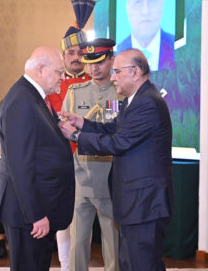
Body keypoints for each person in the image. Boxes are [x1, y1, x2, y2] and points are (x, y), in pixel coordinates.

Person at [59, 49, 174, 271]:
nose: (112, 77)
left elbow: (118, 143)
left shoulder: (147, 103)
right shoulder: (137, 99)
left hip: (145, 203)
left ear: (135, 72)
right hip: (137, 201)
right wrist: (81, 122)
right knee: (130, 262)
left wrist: (75, 136)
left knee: (143, 264)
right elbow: (112, 129)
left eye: (117, 72)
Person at [0, 46, 75, 271]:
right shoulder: (22, 102)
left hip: (35, 210)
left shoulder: (33, 98)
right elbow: (21, 165)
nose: (63, 77)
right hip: (28, 214)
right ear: (41, 69)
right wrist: (36, 215)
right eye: (59, 71)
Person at [62, 38, 120, 271]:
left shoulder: (121, 93)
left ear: (111, 60)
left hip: (110, 176)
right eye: (89, 62)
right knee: (77, 241)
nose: (93, 68)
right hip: (81, 175)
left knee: (112, 242)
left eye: (99, 62)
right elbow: (64, 131)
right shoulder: (76, 92)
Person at [49, 0, 95, 271]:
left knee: (87, 218)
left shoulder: (96, 82)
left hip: (92, 159)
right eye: (71, 53)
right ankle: (66, 265)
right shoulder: (51, 84)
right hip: (62, 160)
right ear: (63, 55)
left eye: (81, 53)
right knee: (63, 217)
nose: (76, 58)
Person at [117, 0, 174, 71]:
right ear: (128, 9)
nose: (145, 11)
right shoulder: (116, 52)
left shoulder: (176, 47)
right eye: (138, 2)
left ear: (162, 3)